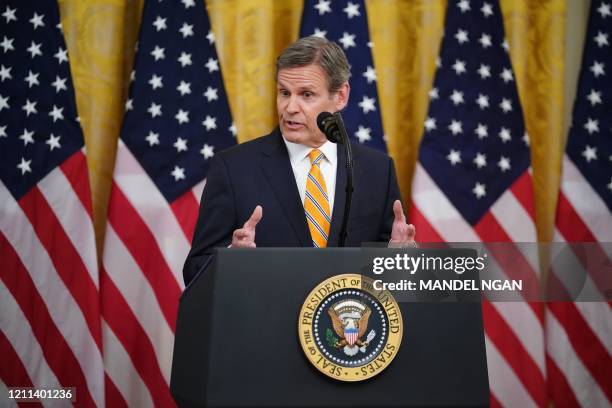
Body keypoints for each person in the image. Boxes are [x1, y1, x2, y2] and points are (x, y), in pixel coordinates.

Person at [183, 36, 416, 285]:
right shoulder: (234, 169)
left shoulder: (377, 169)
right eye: (284, 92)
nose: (290, 107)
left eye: (306, 94)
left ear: (341, 96)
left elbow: (396, 283)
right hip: (266, 322)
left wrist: (400, 259)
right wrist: (231, 260)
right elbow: (194, 271)